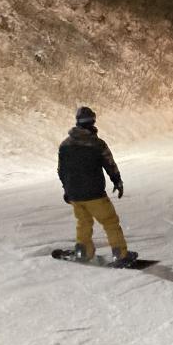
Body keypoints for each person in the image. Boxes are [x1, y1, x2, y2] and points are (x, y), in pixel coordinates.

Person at [57, 106, 135, 263]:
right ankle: (120, 254)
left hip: (75, 195)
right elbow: (109, 164)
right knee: (110, 222)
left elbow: (61, 170)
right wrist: (117, 181)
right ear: (93, 121)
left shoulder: (65, 145)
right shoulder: (97, 144)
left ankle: (83, 251)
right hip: (94, 194)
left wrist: (67, 190)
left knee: (83, 222)